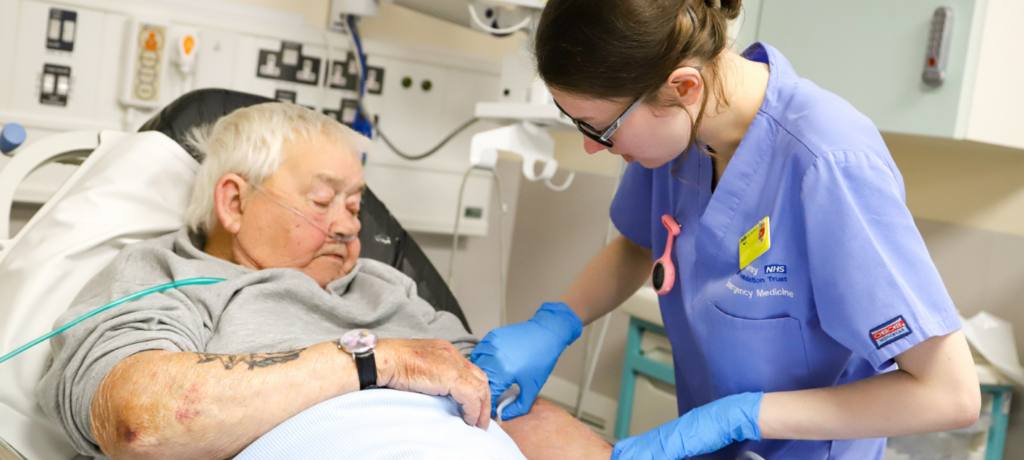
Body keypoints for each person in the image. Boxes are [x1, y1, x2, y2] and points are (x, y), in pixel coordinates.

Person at [471, 0, 981, 459]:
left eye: (600, 129)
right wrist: (557, 322)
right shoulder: (680, 131)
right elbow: (639, 243)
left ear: (683, 86)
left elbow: (950, 394)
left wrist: (739, 416)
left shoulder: (830, 163)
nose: (590, 147)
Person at [37, 102, 606, 460]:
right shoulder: (164, 276)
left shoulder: (388, 287)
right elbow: (139, 421)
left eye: (356, 207)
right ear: (234, 201)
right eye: (322, 200)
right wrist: (370, 361)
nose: (347, 224)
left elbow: (502, 404)